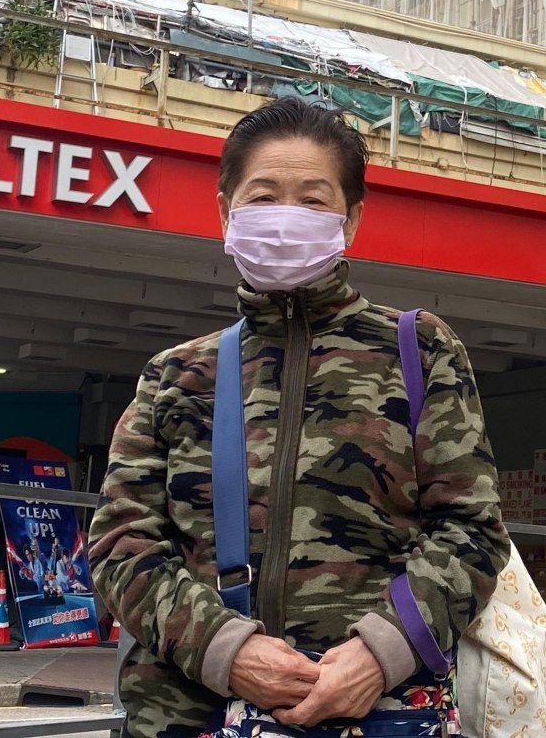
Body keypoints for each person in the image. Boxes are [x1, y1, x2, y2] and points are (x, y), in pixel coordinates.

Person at [89, 98, 511, 738]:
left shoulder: (420, 350)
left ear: (351, 218)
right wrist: (224, 649)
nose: (286, 217)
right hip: (188, 714)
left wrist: (382, 651)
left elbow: (471, 529)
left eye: (313, 200)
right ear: (226, 211)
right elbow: (122, 542)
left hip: (377, 712)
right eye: (263, 197)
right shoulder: (176, 374)